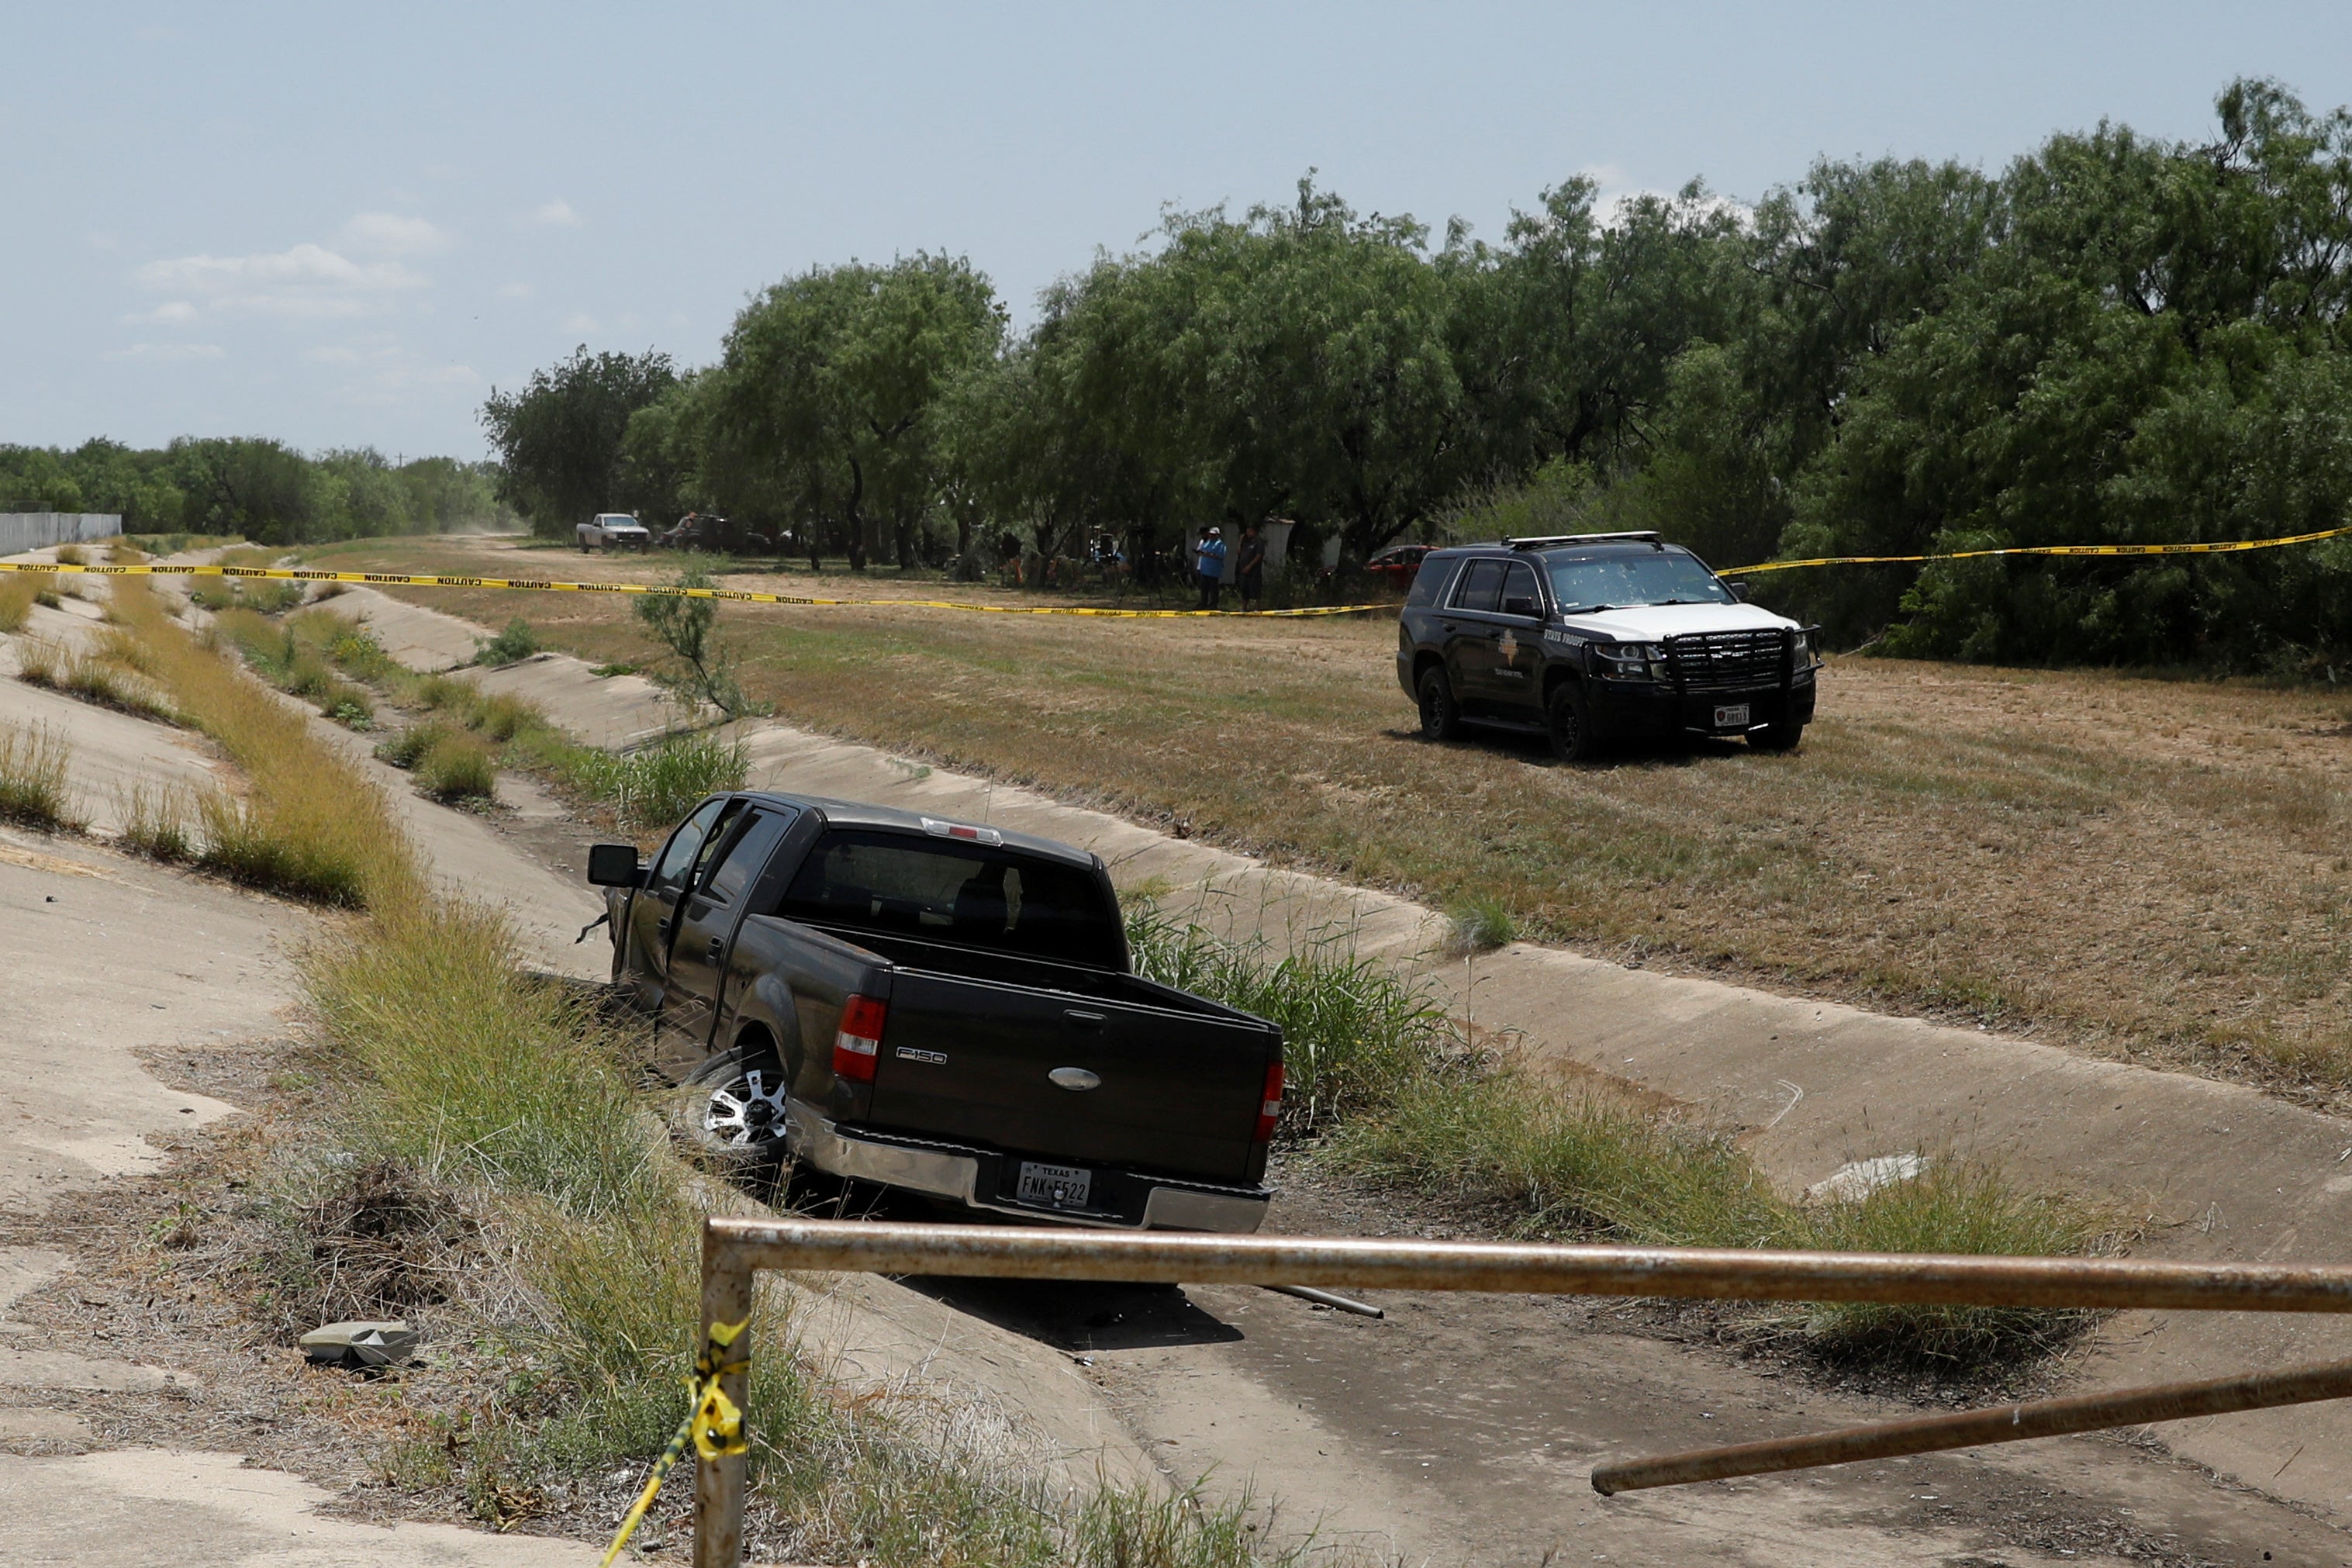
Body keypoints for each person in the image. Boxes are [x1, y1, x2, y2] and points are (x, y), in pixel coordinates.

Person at [1194, 526, 1228, 610]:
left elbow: (1220, 556)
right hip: (1204, 569)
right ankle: (1203, 603)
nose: (1211, 536)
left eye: (1213, 535)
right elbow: (1201, 551)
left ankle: (1213, 604)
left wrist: (1207, 554)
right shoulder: (1206, 543)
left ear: (1218, 535)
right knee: (1204, 588)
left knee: (1213, 589)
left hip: (1213, 570)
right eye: (1210, 534)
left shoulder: (1220, 544)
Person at [1236, 523, 1266, 612]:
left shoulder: (1258, 542)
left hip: (1254, 571)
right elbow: (1238, 553)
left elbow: (1259, 556)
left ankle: (1257, 608)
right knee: (1244, 589)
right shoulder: (1246, 542)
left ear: (1254, 532)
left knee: (1255, 589)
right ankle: (1244, 608)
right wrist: (1240, 542)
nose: (1248, 533)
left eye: (1250, 531)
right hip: (1243, 570)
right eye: (1247, 531)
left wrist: (1249, 566)